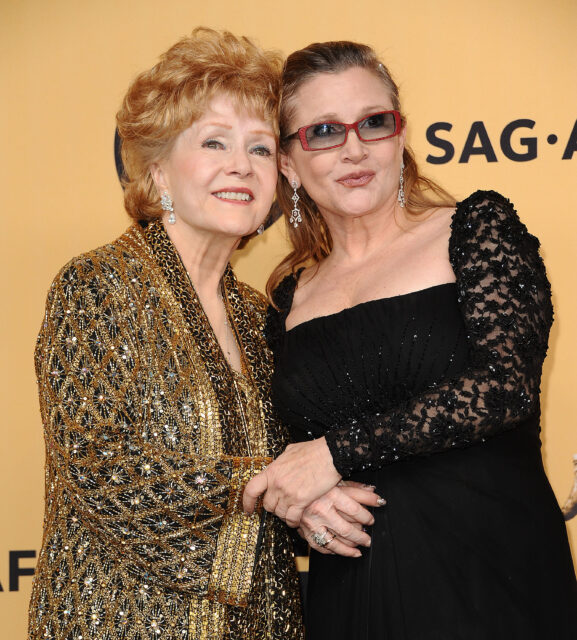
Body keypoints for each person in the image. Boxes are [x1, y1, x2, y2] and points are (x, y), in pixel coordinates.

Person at [244, 40, 577, 638]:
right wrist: (305, 501)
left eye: (374, 123)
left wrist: (335, 452)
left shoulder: (475, 229)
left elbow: (505, 388)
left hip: (489, 577)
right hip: (350, 594)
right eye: (323, 131)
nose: (354, 148)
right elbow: (283, 455)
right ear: (288, 165)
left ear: (399, 135)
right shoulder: (288, 297)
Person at [28, 28, 307, 640]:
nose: (242, 165)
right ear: (156, 173)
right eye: (215, 142)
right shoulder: (98, 285)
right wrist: (264, 483)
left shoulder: (262, 317)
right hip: (118, 620)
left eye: (260, 149)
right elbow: (99, 466)